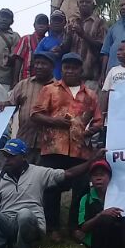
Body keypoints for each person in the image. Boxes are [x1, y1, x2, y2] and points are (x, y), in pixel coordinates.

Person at [0, 138, 105, 248]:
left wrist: (92, 160)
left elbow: (69, 173)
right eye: (5, 156)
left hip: (31, 224)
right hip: (8, 223)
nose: (7, 160)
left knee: (24, 213)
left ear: (23, 157)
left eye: (11, 156)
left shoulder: (39, 172)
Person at [31, 52, 103, 238]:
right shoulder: (49, 90)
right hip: (53, 148)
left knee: (80, 189)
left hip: (81, 150)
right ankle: (52, 227)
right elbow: (35, 114)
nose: (70, 70)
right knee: (51, 188)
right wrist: (56, 122)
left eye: (74, 67)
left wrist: (89, 131)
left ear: (81, 70)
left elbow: (98, 121)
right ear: (61, 69)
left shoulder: (91, 95)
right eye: (66, 67)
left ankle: (75, 227)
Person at [74, 159, 125, 248]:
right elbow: (83, 227)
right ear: (90, 179)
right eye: (95, 175)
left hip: (117, 240)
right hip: (96, 241)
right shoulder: (86, 199)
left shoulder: (120, 196)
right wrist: (100, 215)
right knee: (105, 218)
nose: (99, 178)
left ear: (110, 178)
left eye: (102, 174)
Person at [0, 51, 55, 155]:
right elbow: (11, 104)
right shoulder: (23, 84)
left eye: (43, 64)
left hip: (48, 144)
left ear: (52, 67)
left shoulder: (59, 88)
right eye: (37, 63)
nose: (39, 66)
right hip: (24, 141)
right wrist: (2, 105)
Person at [68, 0, 108, 80]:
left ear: (93, 5)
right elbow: (66, 48)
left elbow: (102, 48)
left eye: (87, 2)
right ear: (78, 5)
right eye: (81, 2)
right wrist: (68, 35)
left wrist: (83, 34)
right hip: (72, 76)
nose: (84, 4)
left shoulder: (100, 23)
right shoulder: (73, 22)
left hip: (91, 75)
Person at [35, 11, 72, 80]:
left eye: (59, 20)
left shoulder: (71, 37)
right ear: (50, 23)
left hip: (66, 79)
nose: (56, 22)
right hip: (46, 79)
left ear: (65, 22)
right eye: (54, 20)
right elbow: (36, 56)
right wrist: (50, 53)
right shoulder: (45, 40)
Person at [13, 14, 49, 81]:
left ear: (48, 27)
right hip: (26, 79)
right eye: (39, 23)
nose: (41, 25)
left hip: (44, 80)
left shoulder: (49, 41)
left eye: (44, 23)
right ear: (34, 25)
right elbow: (18, 59)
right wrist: (15, 80)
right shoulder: (26, 39)